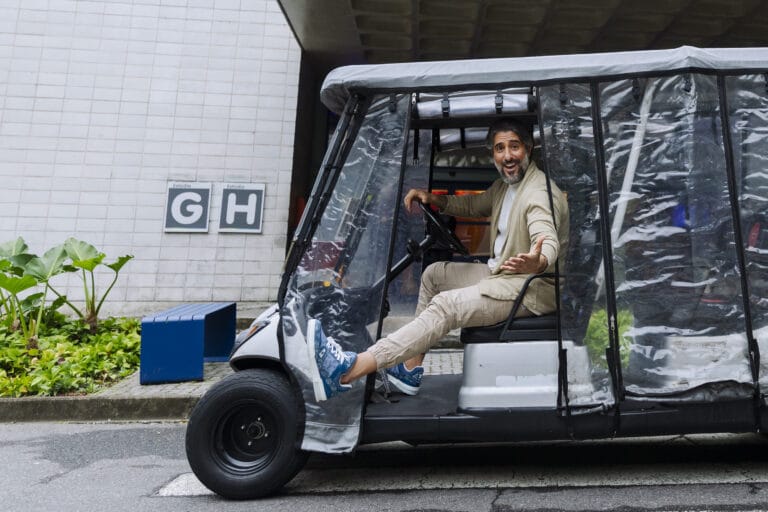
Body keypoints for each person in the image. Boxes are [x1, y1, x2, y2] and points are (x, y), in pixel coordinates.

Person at [306, 119, 569, 401]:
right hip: (504, 275)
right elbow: (473, 205)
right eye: (499, 148)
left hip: (529, 289)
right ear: (492, 154)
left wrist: (538, 261)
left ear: (527, 148)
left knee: (446, 305)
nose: (507, 156)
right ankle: (409, 368)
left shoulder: (539, 192)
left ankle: (347, 371)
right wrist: (431, 198)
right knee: (434, 275)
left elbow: (547, 236)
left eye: (514, 147)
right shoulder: (505, 187)